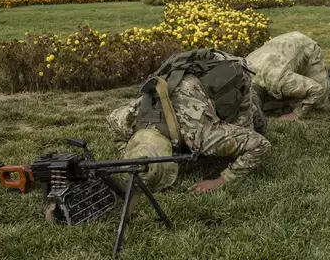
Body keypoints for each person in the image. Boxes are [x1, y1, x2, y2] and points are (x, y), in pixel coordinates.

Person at [107, 48, 271, 194]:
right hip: (190, 77)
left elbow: (260, 146)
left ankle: (255, 110)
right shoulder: (132, 118)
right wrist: (126, 152)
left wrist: (222, 180)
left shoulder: (200, 137)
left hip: (227, 70)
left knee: (250, 131)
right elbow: (111, 120)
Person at [246, 31, 330, 122]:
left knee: (323, 102)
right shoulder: (241, 73)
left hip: (305, 46)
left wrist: (295, 114)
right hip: (280, 48)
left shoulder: (279, 80)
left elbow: (317, 90)